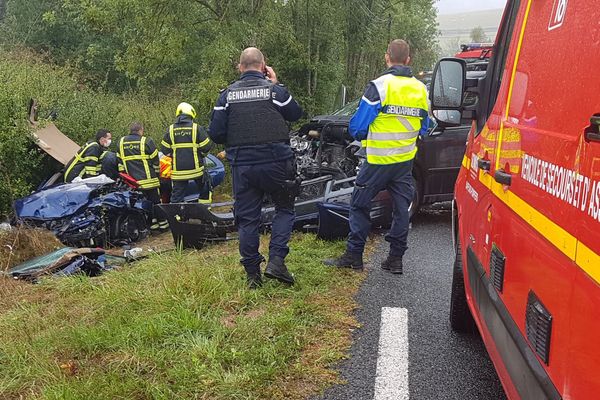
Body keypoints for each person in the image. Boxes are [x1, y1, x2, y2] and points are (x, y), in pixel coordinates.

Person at [324, 39, 430, 274]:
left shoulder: (380, 86)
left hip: (378, 161)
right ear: (409, 60)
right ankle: (395, 260)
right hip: (404, 162)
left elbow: (359, 127)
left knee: (360, 204)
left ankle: (354, 256)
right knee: (402, 209)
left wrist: (361, 135)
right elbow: (425, 126)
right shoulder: (421, 89)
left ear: (387, 58)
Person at [209, 47, 303, 289]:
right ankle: (277, 261)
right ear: (264, 66)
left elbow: (216, 133)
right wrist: (277, 83)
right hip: (277, 163)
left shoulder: (226, 96)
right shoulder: (275, 91)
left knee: (247, 220)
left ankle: (253, 276)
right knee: (284, 208)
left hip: (244, 167)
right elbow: (295, 114)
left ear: (240, 67)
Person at [117, 122, 168, 231]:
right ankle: (163, 225)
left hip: (133, 183)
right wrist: (158, 176)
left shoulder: (121, 142)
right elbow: (155, 161)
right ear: (141, 130)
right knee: (156, 202)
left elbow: (120, 163)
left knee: (143, 205)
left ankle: (151, 226)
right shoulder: (146, 141)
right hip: (150, 181)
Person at [161, 103, 214, 204]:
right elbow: (207, 146)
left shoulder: (170, 129)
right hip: (196, 170)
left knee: (177, 196)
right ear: (191, 114)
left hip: (178, 172)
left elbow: (165, 150)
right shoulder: (196, 128)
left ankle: (176, 216)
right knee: (205, 188)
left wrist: (174, 154)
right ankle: (205, 213)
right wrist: (200, 153)